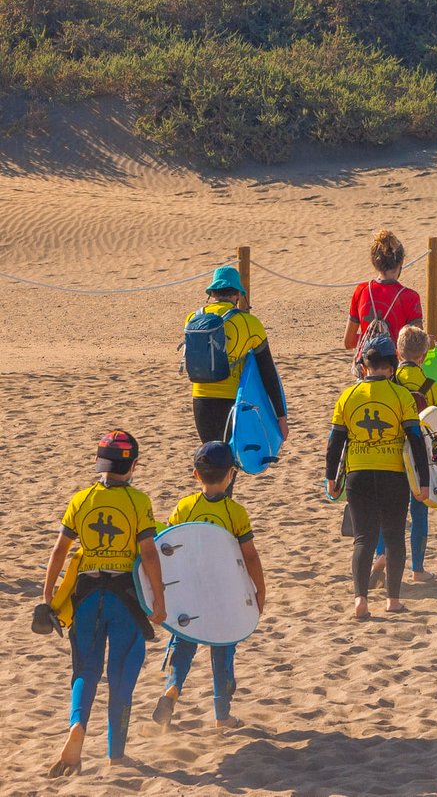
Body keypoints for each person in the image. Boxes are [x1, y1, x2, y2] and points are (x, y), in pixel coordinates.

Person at [39, 431, 166, 777]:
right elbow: (149, 554)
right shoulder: (139, 502)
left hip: (86, 597)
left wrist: (47, 597)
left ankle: (77, 727)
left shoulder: (81, 499)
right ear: (134, 466)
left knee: (85, 670)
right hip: (126, 599)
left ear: (100, 464)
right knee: (121, 676)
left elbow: (59, 551)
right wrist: (160, 599)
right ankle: (116, 756)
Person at [153, 442, 265, 732]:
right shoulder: (235, 512)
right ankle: (222, 715)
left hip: (190, 590)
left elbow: (169, 548)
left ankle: (172, 689)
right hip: (222, 593)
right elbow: (249, 556)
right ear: (231, 475)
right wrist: (259, 591)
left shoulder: (185, 507)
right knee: (223, 649)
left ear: (195, 474)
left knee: (183, 643)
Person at [327, 337, 430, 619]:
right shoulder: (401, 396)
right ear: (393, 365)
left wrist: (330, 477)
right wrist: (423, 479)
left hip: (358, 475)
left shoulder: (347, 396)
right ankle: (393, 601)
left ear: (363, 366)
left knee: (363, 539)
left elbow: (335, 440)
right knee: (395, 537)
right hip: (392, 474)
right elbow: (416, 439)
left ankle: (361, 600)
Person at [370, 325, 437, 587]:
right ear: (424, 355)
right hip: (420, 457)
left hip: (392, 453)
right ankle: (418, 568)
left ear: (398, 352)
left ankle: (381, 554)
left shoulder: (391, 381)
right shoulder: (431, 385)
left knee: (386, 511)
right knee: (419, 511)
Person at [184, 266, 288, 447]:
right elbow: (267, 371)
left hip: (200, 398)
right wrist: (281, 416)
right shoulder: (250, 323)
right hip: (232, 400)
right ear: (238, 294)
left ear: (213, 293)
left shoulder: (193, 318)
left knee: (211, 457)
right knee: (231, 459)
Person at [344, 230, 424, 375]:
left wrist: (373, 339)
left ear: (374, 263)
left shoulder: (361, 291)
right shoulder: (409, 297)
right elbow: (416, 348)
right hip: (395, 372)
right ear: (401, 262)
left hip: (366, 372)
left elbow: (348, 342)